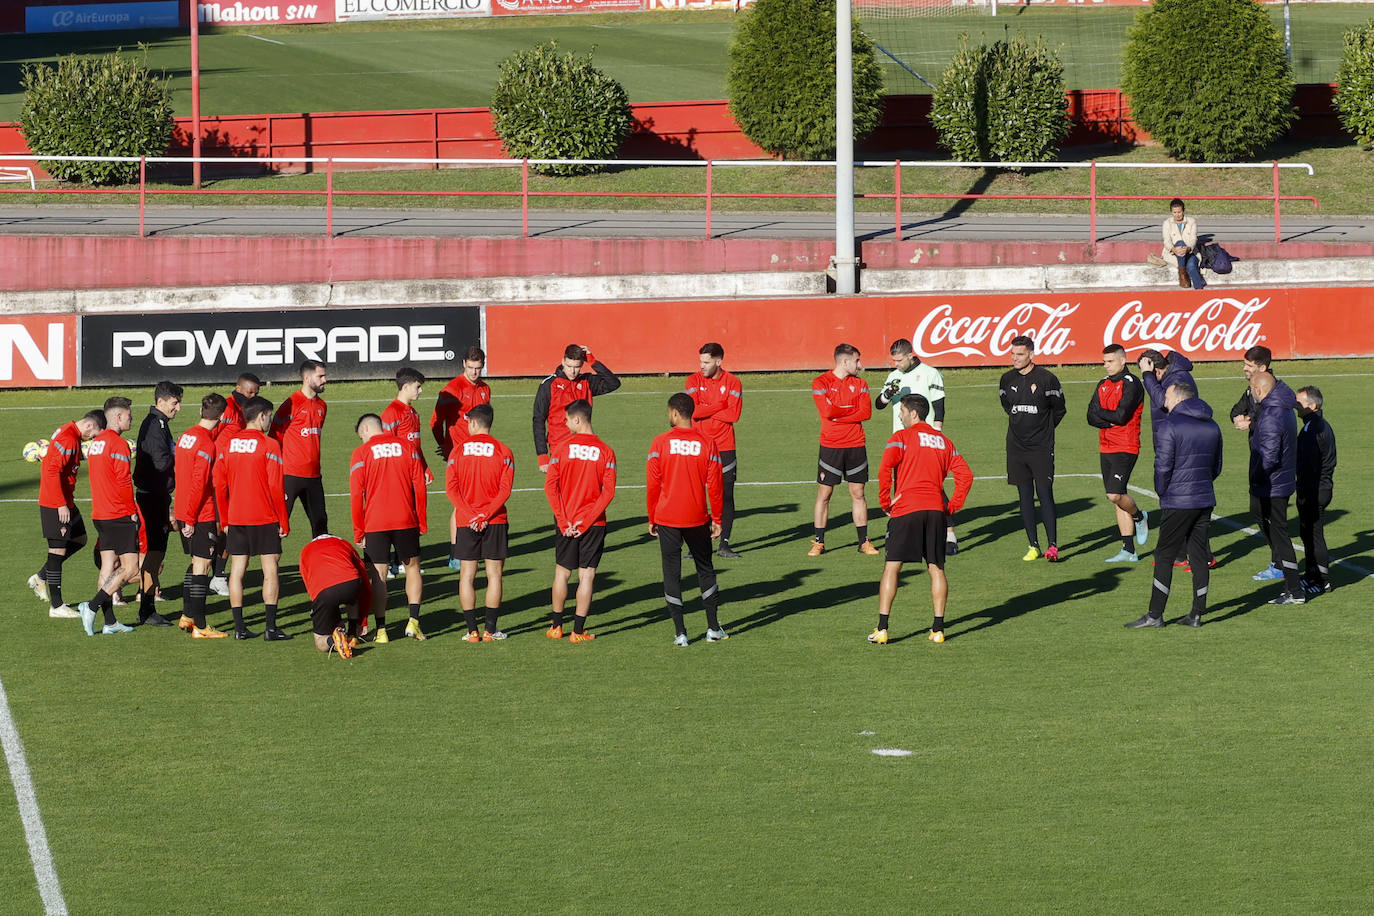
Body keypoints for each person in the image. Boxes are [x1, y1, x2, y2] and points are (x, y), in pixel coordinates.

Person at [868, 394, 973, 645]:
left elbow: (884, 469)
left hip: (906, 509)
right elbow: (966, 476)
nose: (900, 415)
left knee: (892, 567)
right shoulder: (945, 442)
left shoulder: (901, 438)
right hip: (936, 511)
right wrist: (951, 506)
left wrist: (884, 502)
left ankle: (882, 628)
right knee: (936, 569)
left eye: (902, 411)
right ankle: (938, 629)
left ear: (914, 413)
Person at [1126, 382, 1223, 629]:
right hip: (1204, 498)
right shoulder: (1212, 425)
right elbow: (1217, 466)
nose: (1164, 401)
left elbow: (1163, 466)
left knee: (1164, 555)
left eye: (1167, 396)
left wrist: (1163, 491)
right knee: (1198, 555)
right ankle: (1197, 614)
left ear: (1179, 398)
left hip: (1178, 500)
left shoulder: (1169, 425)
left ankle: (1155, 615)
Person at [647, 393, 727, 647]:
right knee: (705, 569)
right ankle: (713, 628)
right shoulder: (708, 443)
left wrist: (652, 516)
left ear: (674, 413)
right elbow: (715, 484)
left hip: (667, 518)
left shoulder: (659, 443)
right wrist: (717, 517)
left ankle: (680, 633)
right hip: (697, 518)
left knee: (672, 573)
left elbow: (653, 484)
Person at [215, 396, 293, 641]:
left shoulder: (228, 444)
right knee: (270, 570)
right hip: (265, 517)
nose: (270, 420)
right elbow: (275, 486)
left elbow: (219, 484)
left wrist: (226, 519)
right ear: (261, 416)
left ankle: (239, 628)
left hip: (237, 518)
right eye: (269, 416)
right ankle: (270, 628)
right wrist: (284, 520)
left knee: (237, 571)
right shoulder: (269, 445)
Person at [350, 413, 429, 643]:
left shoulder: (362, 453)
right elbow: (420, 486)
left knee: (379, 576)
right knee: (412, 569)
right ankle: (413, 622)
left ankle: (382, 630)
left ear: (365, 430)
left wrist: (359, 530)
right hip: (406, 519)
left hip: (375, 523)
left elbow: (356, 495)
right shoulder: (408, 446)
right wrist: (421, 520)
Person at [875, 338, 959, 553]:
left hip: (925, 440)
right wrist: (886, 395)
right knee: (899, 484)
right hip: (901, 438)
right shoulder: (893, 376)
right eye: (893, 360)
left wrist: (937, 433)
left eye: (900, 360)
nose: (896, 364)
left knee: (933, 487)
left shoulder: (930, 373)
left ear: (911, 355)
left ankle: (950, 534)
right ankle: (896, 528)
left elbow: (939, 405)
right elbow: (878, 405)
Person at [543, 399, 617, 642]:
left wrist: (564, 521)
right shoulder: (606, 451)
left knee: (562, 572)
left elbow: (551, 487)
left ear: (577, 420)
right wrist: (585, 522)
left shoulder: (562, 449)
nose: (564, 423)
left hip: (566, 522)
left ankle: (556, 627)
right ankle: (577, 631)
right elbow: (608, 492)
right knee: (587, 575)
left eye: (566, 419)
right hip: (593, 524)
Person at [446, 404, 515, 642]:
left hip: (467, 521)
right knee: (494, 574)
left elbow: (451, 490)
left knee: (467, 575)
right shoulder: (504, 451)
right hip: (494, 519)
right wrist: (485, 515)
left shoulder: (457, 452)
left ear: (474, 423)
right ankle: (490, 630)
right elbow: (505, 491)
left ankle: (471, 631)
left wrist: (471, 513)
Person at [30, 409, 104, 619]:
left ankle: (41, 577)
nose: (94, 438)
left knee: (79, 539)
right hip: (56, 503)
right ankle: (57, 606)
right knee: (58, 550)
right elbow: (52, 471)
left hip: (65, 501)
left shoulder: (69, 432)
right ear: (90, 425)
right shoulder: (69, 439)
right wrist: (61, 504)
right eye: (96, 433)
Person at [999, 335, 1066, 561]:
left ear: (1031, 354)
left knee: (1045, 494)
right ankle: (1033, 545)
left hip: (1041, 448)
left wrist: (1044, 430)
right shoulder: (1006, 379)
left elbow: (1059, 410)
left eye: (1020, 354)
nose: (1015, 358)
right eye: (1012, 354)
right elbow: (1008, 407)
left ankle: (1053, 546)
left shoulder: (1048, 379)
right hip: (1016, 448)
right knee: (1024, 496)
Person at [77, 397, 139, 636]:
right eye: (129, 415)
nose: (131, 418)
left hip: (100, 513)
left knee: (107, 566)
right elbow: (124, 481)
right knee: (130, 568)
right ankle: (91, 606)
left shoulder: (96, 444)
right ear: (119, 417)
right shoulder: (118, 445)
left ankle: (110, 621)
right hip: (118, 514)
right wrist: (132, 511)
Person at [810, 343, 877, 557]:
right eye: (857, 360)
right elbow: (827, 411)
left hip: (856, 444)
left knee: (858, 493)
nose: (861, 365)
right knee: (825, 493)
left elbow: (866, 412)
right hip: (831, 446)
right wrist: (849, 410)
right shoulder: (820, 382)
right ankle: (819, 542)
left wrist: (839, 413)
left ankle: (863, 542)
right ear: (845, 361)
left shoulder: (861, 384)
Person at [1086, 344, 1149, 562]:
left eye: (1110, 361)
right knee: (1117, 498)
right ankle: (1129, 550)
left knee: (1114, 493)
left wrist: (1103, 416)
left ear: (1123, 361)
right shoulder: (1102, 384)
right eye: (1104, 362)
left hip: (1126, 445)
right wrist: (1108, 417)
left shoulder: (1132, 383)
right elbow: (1089, 416)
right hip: (1106, 446)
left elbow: (1122, 416)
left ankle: (1140, 516)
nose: (1106, 365)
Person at [430, 347, 492, 566]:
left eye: (478, 368)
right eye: (470, 367)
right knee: (461, 502)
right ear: (463, 363)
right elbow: (435, 423)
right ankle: (456, 552)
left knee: (479, 498)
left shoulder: (485, 389)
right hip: (460, 455)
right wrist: (445, 446)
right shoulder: (452, 389)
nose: (474, 372)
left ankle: (473, 547)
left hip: (481, 453)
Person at [173, 393, 228, 638]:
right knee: (202, 567)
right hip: (200, 514)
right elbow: (199, 483)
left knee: (195, 564)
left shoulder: (185, 436)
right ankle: (202, 626)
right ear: (222, 416)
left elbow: (180, 476)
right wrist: (192, 519)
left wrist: (181, 512)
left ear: (200, 411)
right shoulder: (206, 444)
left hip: (184, 509)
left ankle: (187, 616)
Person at [1248, 372, 1304, 605]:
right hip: (1280, 482)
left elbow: (1269, 457)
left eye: (1251, 389)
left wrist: (1256, 478)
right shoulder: (1283, 408)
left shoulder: (1271, 414)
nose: (1250, 393)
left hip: (1273, 485)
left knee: (1280, 536)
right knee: (1274, 529)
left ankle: (1295, 590)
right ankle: (1292, 587)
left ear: (1259, 390)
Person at [685, 342, 743, 558]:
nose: (702, 365)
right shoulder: (693, 380)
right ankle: (698, 545)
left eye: (706, 362)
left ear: (719, 362)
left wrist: (706, 410)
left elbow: (734, 416)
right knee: (698, 496)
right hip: (699, 447)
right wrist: (720, 405)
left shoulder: (733, 382)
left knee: (726, 495)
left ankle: (724, 545)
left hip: (725, 447)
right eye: (700, 361)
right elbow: (693, 412)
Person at [132, 380, 183, 627]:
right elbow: (161, 463)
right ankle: (102, 603)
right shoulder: (155, 425)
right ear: (161, 401)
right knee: (152, 555)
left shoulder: (159, 424)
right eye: (175, 403)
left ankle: (147, 607)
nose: (178, 408)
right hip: (152, 498)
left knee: (155, 555)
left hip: (156, 496)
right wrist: (182, 455)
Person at [208, 373, 260, 595]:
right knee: (221, 528)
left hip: (235, 476)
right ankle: (214, 576)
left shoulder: (245, 411)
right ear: (238, 388)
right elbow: (210, 438)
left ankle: (216, 575)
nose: (253, 396)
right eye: (250, 392)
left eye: (256, 393)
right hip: (219, 477)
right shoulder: (226, 409)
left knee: (229, 528)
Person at [534, 344, 621, 474]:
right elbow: (538, 419)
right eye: (569, 366)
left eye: (577, 367)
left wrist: (592, 360)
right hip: (560, 449)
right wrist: (542, 455)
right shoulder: (549, 385)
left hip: (585, 450)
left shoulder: (587, 382)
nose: (573, 371)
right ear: (563, 361)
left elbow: (613, 383)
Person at [381, 367, 434, 576]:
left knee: (411, 517)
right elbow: (384, 446)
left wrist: (425, 468)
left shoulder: (413, 412)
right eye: (418, 387)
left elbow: (416, 446)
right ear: (405, 387)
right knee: (397, 518)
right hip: (397, 476)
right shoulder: (391, 413)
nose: (420, 391)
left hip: (413, 474)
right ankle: (391, 563)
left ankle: (401, 561)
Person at [271, 359, 329, 538]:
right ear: (306, 377)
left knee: (320, 525)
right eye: (320, 376)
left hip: (314, 476)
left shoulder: (322, 406)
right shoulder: (290, 404)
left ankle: (320, 565)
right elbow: (274, 439)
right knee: (278, 526)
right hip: (290, 475)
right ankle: (270, 565)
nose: (325, 380)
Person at [299, 534, 371, 658]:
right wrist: (362, 621)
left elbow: (310, 586)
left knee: (319, 643)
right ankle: (352, 633)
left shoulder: (305, 551)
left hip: (324, 591)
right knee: (352, 597)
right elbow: (365, 582)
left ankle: (333, 640)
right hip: (351, 583)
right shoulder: (344, 544)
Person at [1295, 385, 1337, 596]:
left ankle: (1322, 581)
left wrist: (1303, 491)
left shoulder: (1315, 428)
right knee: (1308, 534)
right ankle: (1312, 575)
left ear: (1313, 405)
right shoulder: (1314, 425)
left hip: (1315, 489)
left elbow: (1310, 464)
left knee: (1314, 535)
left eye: (1299, 403)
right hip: (1317, 487)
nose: (1296, 406)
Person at [1228, 346, 1274, 435]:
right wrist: (1237, 417)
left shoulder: (1273, 390)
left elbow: (1273, 421)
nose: (1244, 368)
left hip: (1270, 444)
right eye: (1244, 364)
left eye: (1249, 365)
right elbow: (1237, 409)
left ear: (1262, 368)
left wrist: (1250, 424)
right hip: (1258, 444)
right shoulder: (1251, 389)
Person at [1162, 198, 1205, 290]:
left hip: (1190, 252)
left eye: (1179, 212)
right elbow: (1167, 241)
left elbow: (1193, 239)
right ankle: (1182, 273)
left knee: (1192, 267)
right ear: (1171, 212)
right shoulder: (1167, 223)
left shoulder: (1191, 222)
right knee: (1179, 243)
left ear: (1183, 210)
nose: (1177, 215)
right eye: (1174, 212)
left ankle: (1199, 290)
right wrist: (1174, 249)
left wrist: (1188, 248)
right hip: (1173, 253)